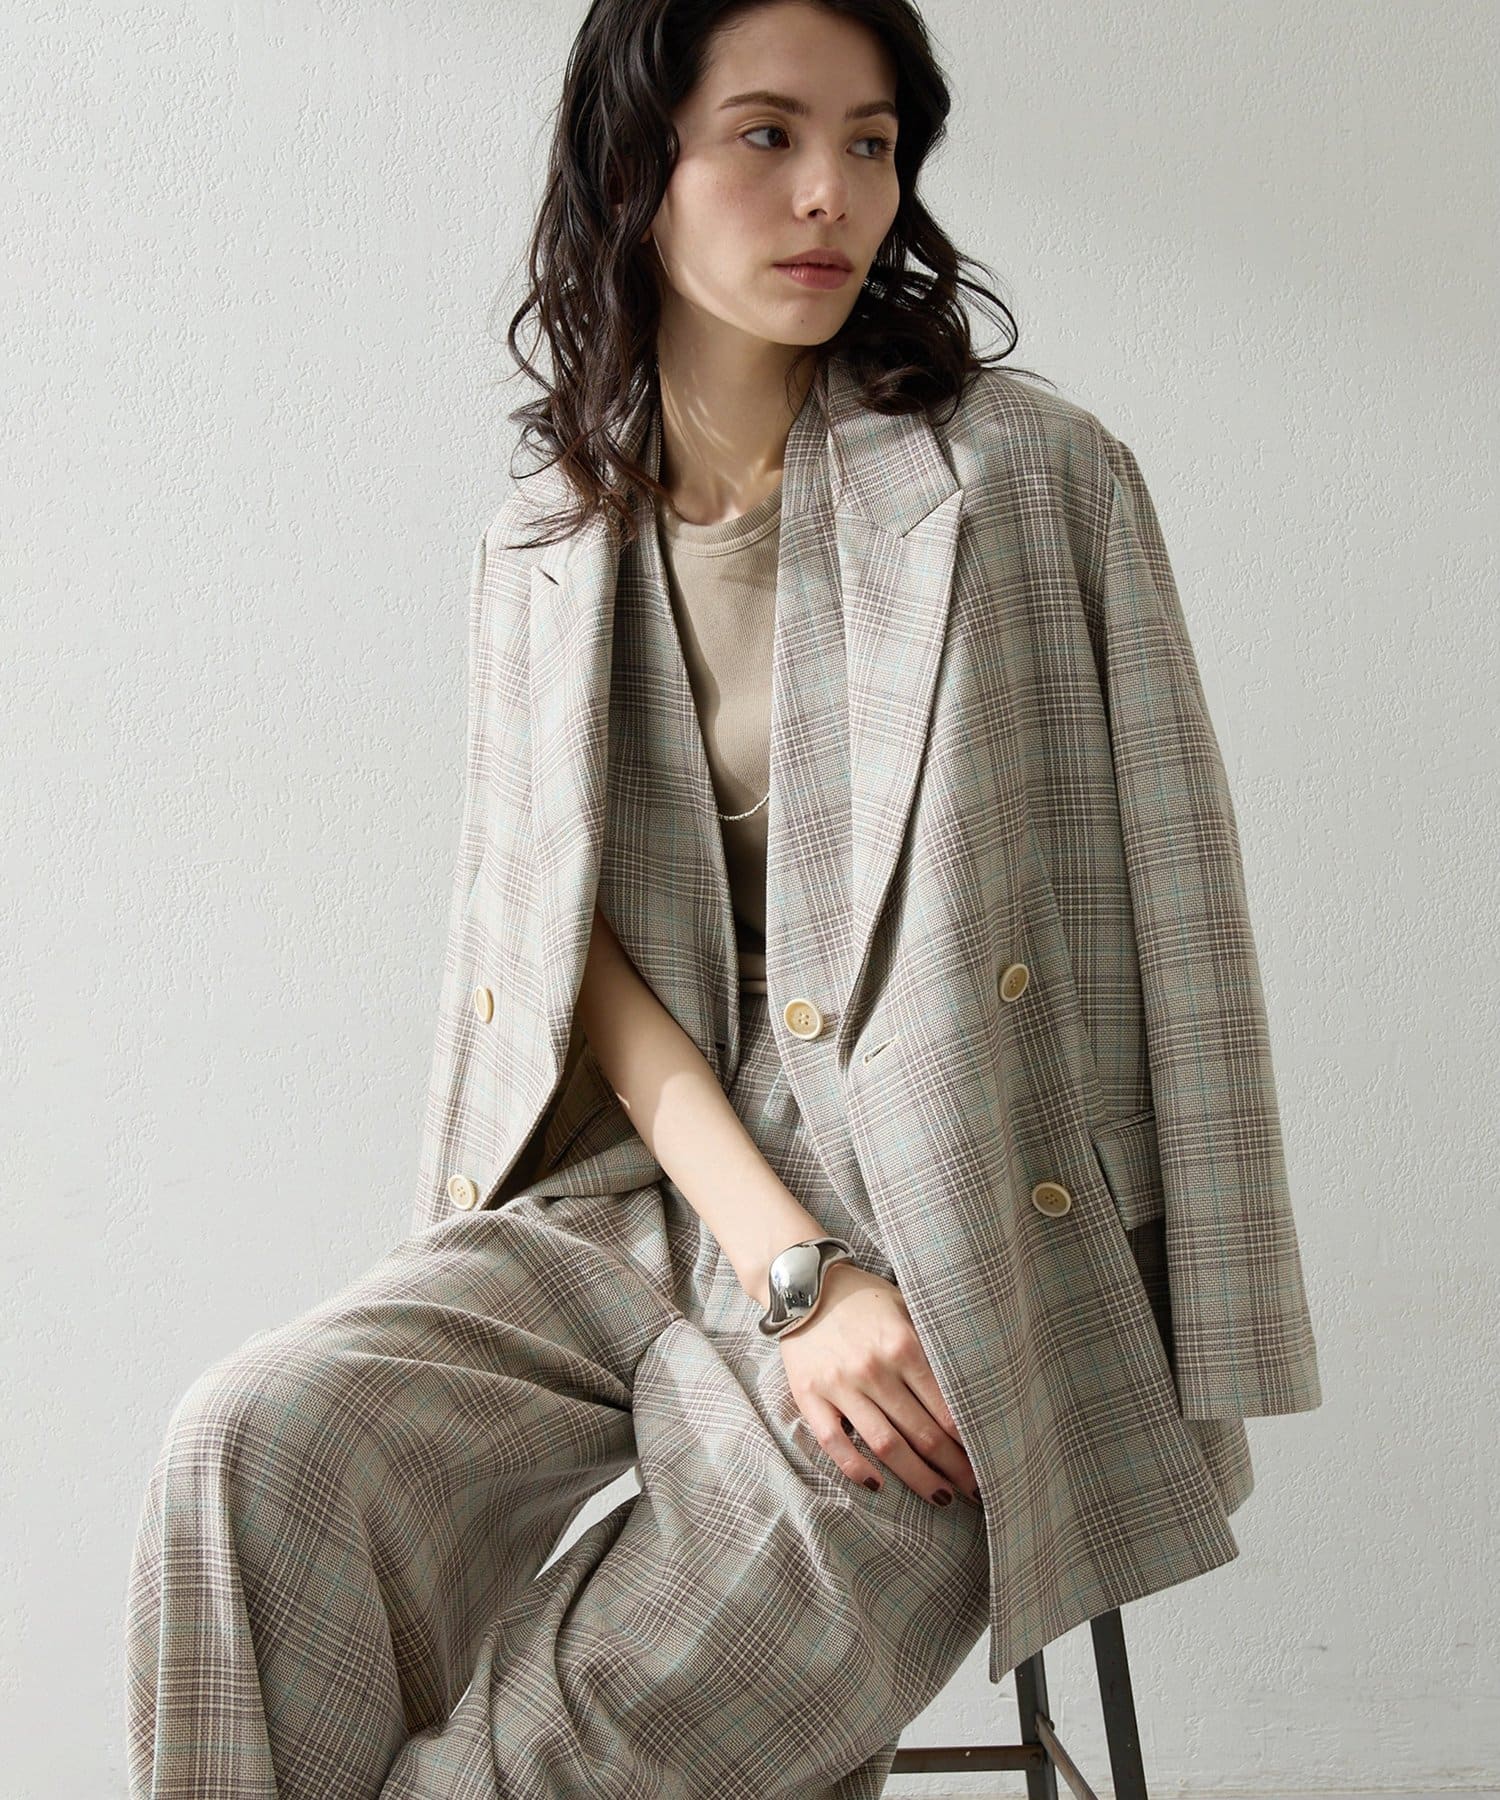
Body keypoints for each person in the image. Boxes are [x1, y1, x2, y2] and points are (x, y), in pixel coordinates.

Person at [125, 1, 1322, 1795]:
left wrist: (1172, 1329)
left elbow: (1179, 900)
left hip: (951, 1217)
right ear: (639, 169)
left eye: (870, 142)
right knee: (254, 1450)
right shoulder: (545, 548)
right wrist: (784, 1263)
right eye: (768, 134)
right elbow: (568, 953)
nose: (831, 192)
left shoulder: (1019, 479)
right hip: (641, 1188)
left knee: (657, 1675)